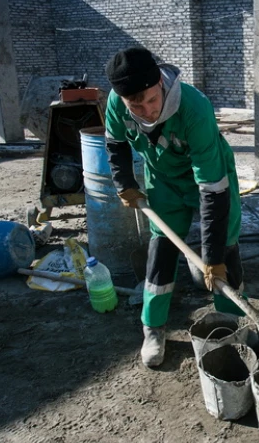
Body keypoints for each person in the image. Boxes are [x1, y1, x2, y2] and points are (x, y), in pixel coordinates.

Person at [103, 47, 245, 368]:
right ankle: (153, 328)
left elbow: (212, 189)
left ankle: (233, 322)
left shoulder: (194, 109)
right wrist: (123, 182)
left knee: (224, 249)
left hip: (211, 178)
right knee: (162, 248)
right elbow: (115, 143)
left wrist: (213, 257)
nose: (147, 111)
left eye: (152, 100)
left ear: (161, 85)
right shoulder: (116, 103)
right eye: (135, 105)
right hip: (163, 179)